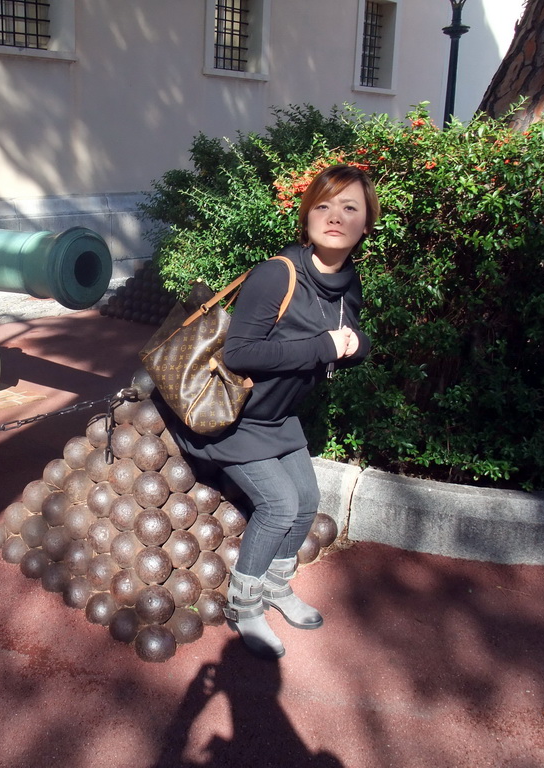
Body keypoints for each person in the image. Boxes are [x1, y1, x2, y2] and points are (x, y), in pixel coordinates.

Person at [171, 164, 380, 660]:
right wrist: (320, 347)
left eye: (350, 207)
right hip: (234, 416)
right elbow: (239, 354)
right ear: (306, 215)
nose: (335, 216)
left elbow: (348, 338)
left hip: (279, 419)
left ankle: (277, 588)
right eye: (324, 205)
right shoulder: (277, 274)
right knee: (281, 505)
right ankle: (244, 607)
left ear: (366, 223)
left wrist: (356, 345)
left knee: (307, 500)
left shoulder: (346, 283)